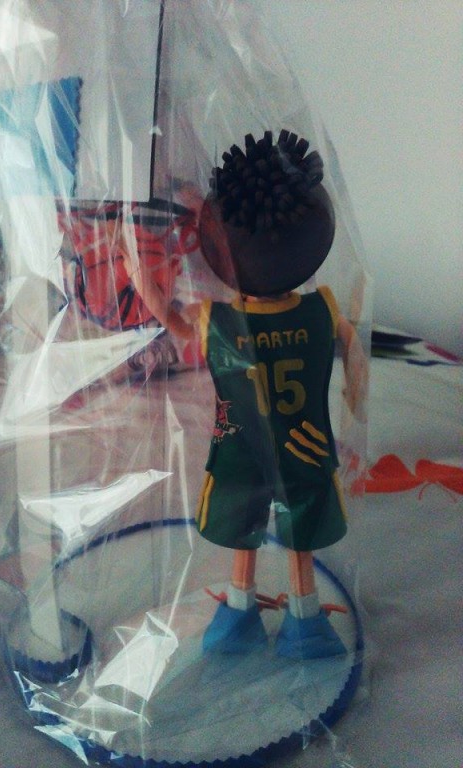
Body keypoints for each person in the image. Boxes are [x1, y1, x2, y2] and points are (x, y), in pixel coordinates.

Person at [115, 130, 367, 658]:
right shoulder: (320, 311)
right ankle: (305, 620)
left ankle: (238, 613)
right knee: (301, 537)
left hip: (240, 449)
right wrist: (356, 397)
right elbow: (352, 347)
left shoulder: (219, 320)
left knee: (243, 536)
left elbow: (173, 324)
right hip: (306, 446)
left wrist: (140, 276)